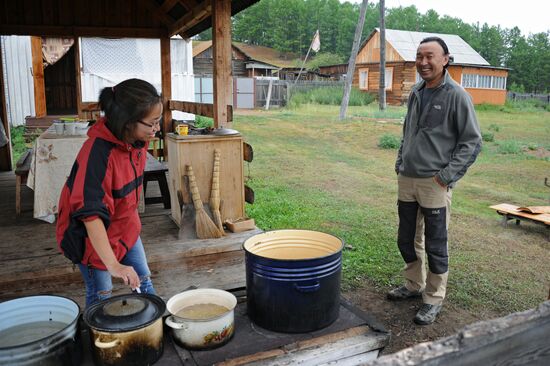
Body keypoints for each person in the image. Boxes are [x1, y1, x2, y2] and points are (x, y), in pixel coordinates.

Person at [388, 37, 482, 325]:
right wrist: (401, 160)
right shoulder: (417, 90)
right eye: (419, 56)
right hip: (408, 179)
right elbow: (409, 132)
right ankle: (413, 285)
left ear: (445, 60)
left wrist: (445, 177)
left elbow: (471, 142)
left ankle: (433, 298)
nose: (423, 62)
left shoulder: (456, 95)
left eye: (430, 56)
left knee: (436, 243)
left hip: (434, 183)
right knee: (407, 238)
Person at [56, 78, 162, 307]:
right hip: (91, 238)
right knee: (101, 295)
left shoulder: (136, 142)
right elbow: (90, 215)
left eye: (158, 121)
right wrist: (113, 264)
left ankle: (156, 323)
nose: (157, 129)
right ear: (127, 122)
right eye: (152, 123)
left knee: (143, 281)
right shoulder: (97, 155)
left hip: (125, 226)